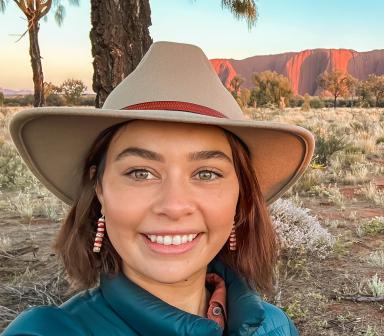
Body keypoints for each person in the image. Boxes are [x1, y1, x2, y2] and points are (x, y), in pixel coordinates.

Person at [2, 41, 314, 335]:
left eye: (206, 174)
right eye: (140, 172)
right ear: (99, 188)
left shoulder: (275, 327)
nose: (174, 205)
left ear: (240, 195)